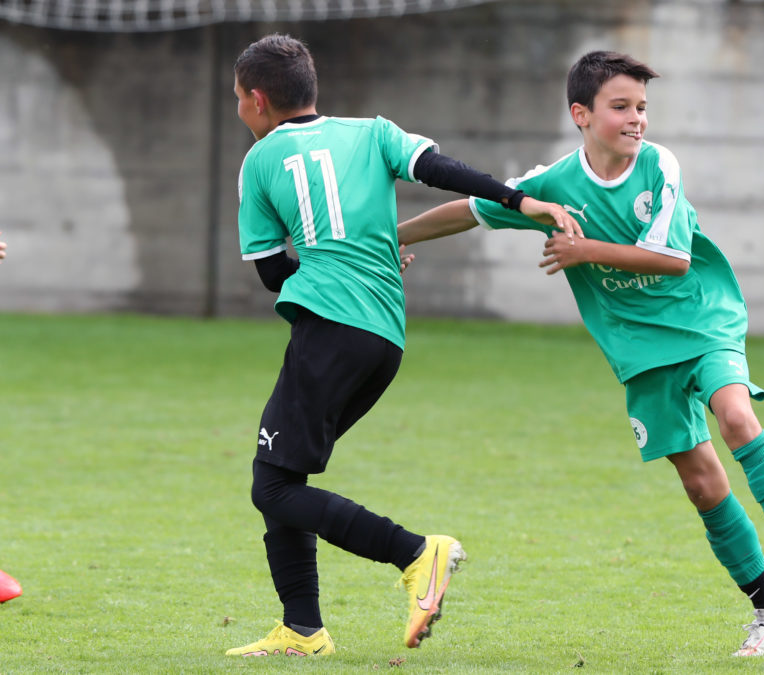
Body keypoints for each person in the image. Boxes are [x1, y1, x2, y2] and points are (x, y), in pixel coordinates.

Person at [398, 50, 764, 657]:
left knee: (736, 416)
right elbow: (472, 211)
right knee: (701, 483)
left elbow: (673, 259)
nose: (637, 119)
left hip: (700, 319)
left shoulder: (659, 165)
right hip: (638, 351)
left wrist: (586, 252)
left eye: (642, 108)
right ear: (581, 114)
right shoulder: (552, 185)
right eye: (621, 107)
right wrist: (391, 238)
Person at [226, 34, 580, 658]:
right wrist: (522, 199)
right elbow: (443, 171)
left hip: (329, 333)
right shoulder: (373, 131)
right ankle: (302, 630)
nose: (239, 111)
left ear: (257, 100)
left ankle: (417, 553)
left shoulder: (259, 162)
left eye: (237, 100)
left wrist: (322, 284)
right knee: (283, 473)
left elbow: (271, 273)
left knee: (272, 487)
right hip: (383, 337)